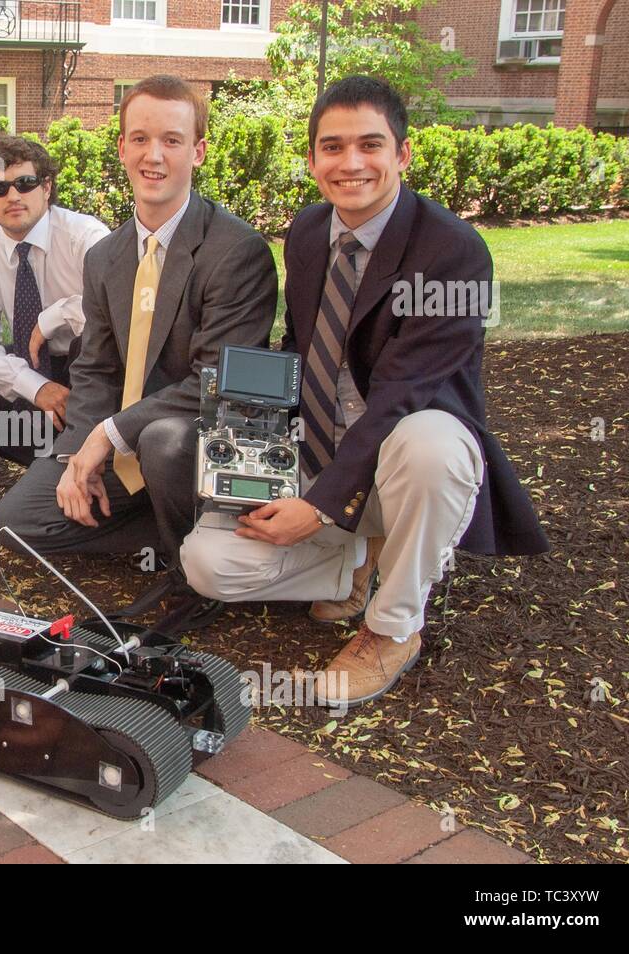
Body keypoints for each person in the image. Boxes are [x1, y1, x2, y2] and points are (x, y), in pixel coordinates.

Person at [180, 76, 549, 705]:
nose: (351, 164)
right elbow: (301, 347)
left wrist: (319, 506)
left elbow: (402, 394)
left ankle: (393, 625)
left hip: (401, 464)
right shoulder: (305, 232)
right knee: (207, 564)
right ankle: (354, 565)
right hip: (320, 450)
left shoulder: (453, 252)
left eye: (370, 145)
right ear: (313, 160)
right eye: (332, 147)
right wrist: (249, 438)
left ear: (402, 154)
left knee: (432, 443)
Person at [0, 75, 278, 633]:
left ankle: (195, 561)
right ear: (121, 146)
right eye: (140, 138)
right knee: (18, 522)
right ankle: (180, 525)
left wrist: (109, 435)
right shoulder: (106, 257)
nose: (154, 155)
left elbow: (221, 381)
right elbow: (95, 368)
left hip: (202, 443)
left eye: (172, 140)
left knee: (161, 440)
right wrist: (80, 455)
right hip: (131, 447)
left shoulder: (236, 251)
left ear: (197, 151)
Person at [0, 134, 109, 466]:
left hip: (92, 366)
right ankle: (49, 467)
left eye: (25, 183)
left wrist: (53, 317)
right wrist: (35, 387)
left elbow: (119, 315)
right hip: (34, 363)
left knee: (86, 342)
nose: (13, 196)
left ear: (46, 188)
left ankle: (83, 458)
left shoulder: (86, 237)